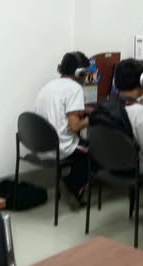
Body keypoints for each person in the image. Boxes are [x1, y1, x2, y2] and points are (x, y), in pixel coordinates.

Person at [35, 51, 92, 207]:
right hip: (60, 146)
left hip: (41, 144)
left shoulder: (50, 85)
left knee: (83, 145)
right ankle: (75, 185)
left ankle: (72, 180)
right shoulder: (75, 89)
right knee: (96, 150)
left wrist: (83, 109)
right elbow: (75, 127)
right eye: (86, 73)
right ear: (80, 73)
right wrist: (92, 118)